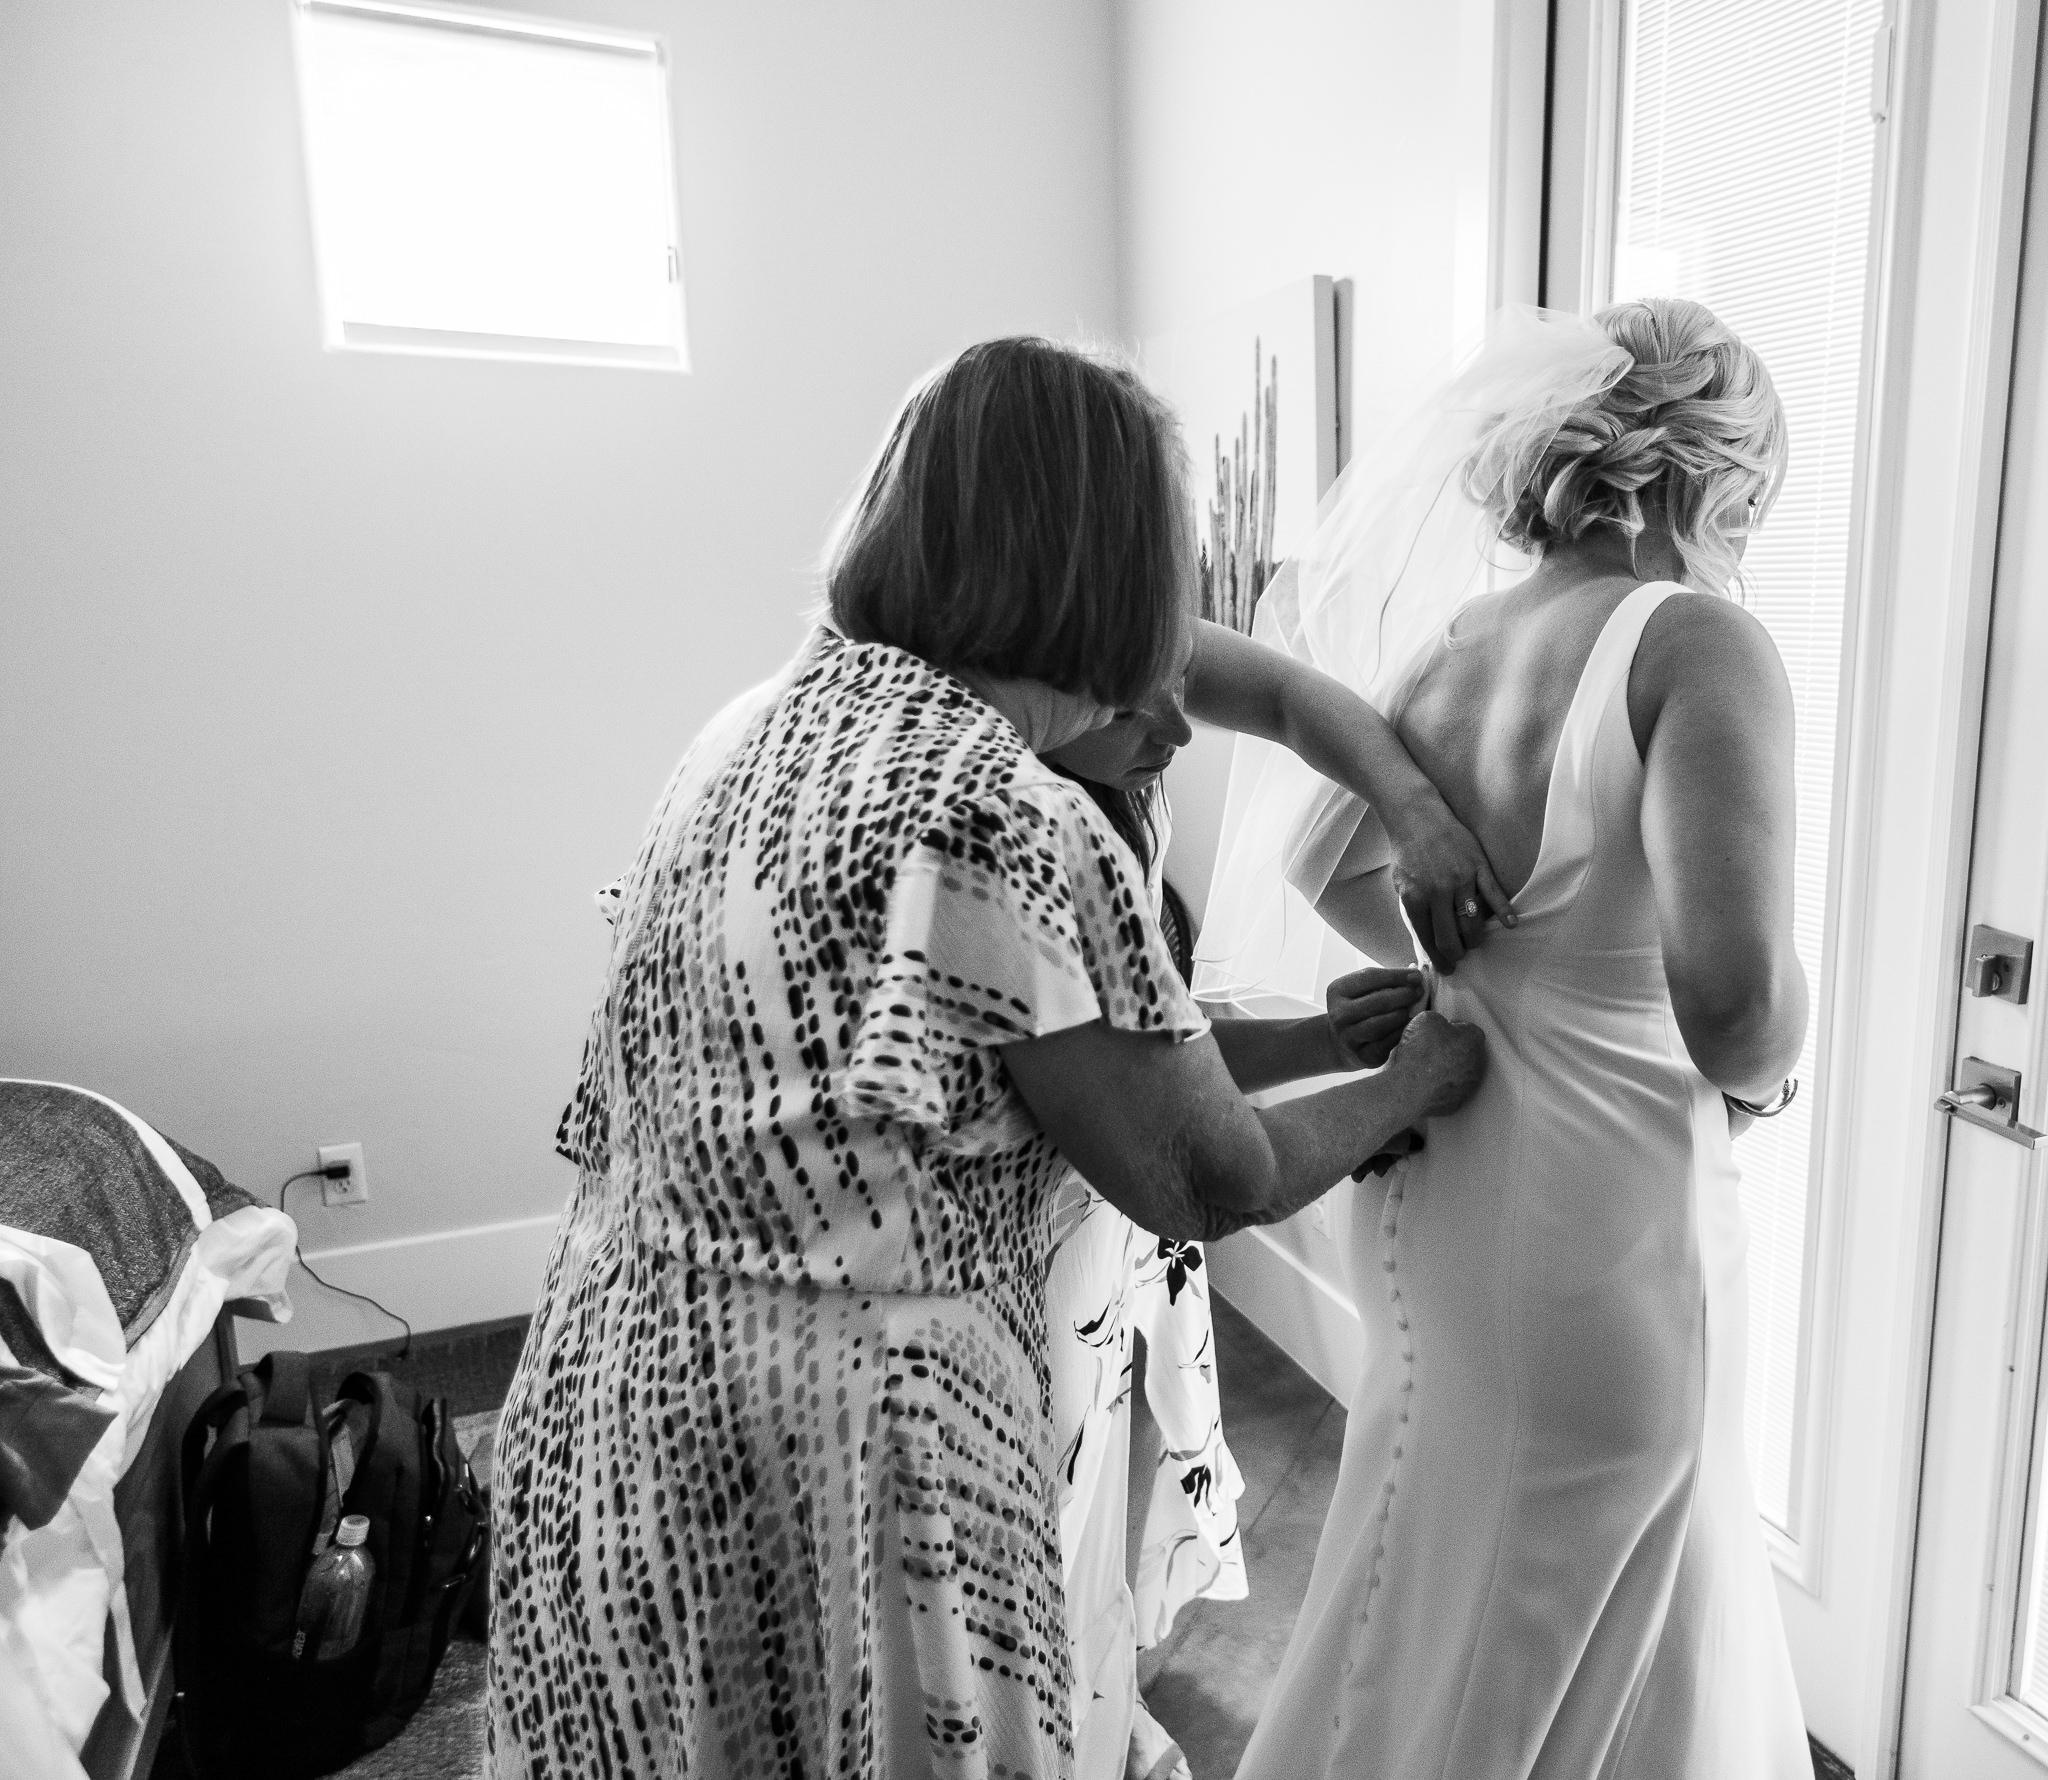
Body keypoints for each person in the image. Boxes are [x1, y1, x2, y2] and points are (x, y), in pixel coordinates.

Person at [485, 335, 1488, 1780]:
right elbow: (1211, 1175)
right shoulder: (1010, 813)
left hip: (618, 1380)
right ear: (1100, 574)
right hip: (852, 1450)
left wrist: (1327, 1003)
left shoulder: (756, 722)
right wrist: (1414, 1081)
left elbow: (1023, 1066)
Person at [1213, 298, 1813, 1779]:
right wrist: (1784, 1061)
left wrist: (1482, 974)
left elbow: (1330, 868)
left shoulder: (1456, 646)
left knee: (1439, 1554)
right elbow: (1733, 1009)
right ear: (1699, 473)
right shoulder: (1697, 647)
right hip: (1610, 1226)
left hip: (1452, 1176)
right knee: (1597, 1607)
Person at [1039, 624, 1473, 1780]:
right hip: (1047, 1230)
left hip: (1117, 1193)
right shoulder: (1027, 842)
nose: (1180, 732)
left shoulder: (1106, 647)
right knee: (1053, 1496)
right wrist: (1395, 1091)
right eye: (1142, 710)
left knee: (1116, 1462)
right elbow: (1217, 1171)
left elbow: (1156, 1045)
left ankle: (1100, 1690)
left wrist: (1410, 814)